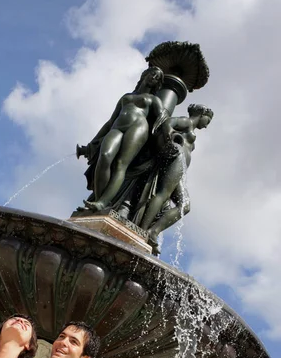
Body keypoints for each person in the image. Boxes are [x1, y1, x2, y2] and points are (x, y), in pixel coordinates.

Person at [82, 66, 165, 212]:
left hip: (138, 127)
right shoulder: (126, 97)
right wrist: (94, 141)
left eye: (157, 78)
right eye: (153, 74)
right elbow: (110, 122)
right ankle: (99, 198)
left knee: (121, 164)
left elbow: (162, 120)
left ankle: (102, 203)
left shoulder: (154, 99)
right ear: (145, 74)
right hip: (117, 127)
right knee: (105, 156)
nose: (154, 78)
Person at [138, 103, 213, 252]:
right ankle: (143, 230)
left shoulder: (191, 128)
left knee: (185, 206)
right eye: (208, 121)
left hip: (180, 167)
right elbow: (168, 122)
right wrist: (171, 134)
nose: (206, 126)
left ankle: (153, 231)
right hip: (175, 159)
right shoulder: (186, 121)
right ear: (202, 114)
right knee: (163, 193)